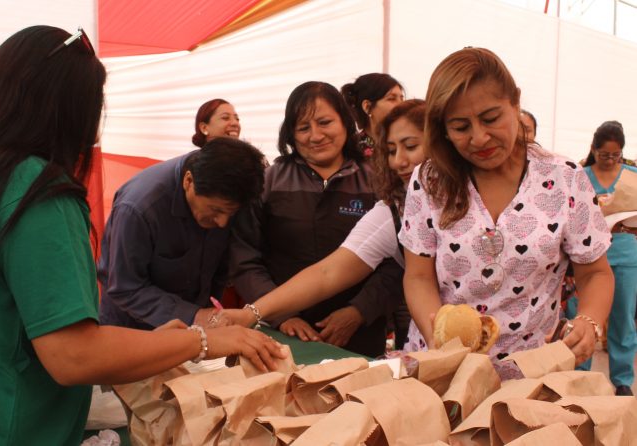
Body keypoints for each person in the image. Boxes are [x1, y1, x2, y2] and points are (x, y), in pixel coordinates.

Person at [0, 26, 284, 445]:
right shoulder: (39, 196)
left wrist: (160, 345)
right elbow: (72, 354)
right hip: (18, 426)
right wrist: (202, 339)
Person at [399, 47, 614, 379]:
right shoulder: (430, 181)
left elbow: (595, 273)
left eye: (490, 118)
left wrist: (589, 321)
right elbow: (418, 276)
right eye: (460, 127)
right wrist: (441, 343)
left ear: (515, 102)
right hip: (441, 370)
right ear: (442, 129)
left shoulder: (565, 179)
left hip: (531, 373)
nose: (479, 137)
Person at [222, 100, 426, 349]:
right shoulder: (394, 209)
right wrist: (259, 313)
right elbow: (329, 272)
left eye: (411, 146)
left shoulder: (372, 181)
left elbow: (396, 273)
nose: (398, 162)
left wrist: (360, 310)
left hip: (377, 332)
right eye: (391, 150)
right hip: (437, 344)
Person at [98, 136, 266, 330]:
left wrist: (207, 312)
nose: (222, 223)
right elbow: (125, 288)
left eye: (231, 213)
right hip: (132, 328)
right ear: (188, 181)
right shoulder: (139, 208)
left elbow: (220, 267)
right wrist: (194, 315)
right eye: (216, 211)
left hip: (194, 324)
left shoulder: (229, 191)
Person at [568, 121, 637, 396]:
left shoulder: (632, 175)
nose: (610, 160)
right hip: (585, 258)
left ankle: (622, 380)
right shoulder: (579, 175)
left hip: (625, 254)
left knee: (623, 319)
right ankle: (579, 375)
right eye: (604, 155)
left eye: (615, 155)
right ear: (593, 150)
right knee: (580, 316)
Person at [341, 73, 404, 157]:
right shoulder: (352, 150)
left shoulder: (406, 139)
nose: (401, 104)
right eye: (392, 99)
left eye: (402, 98)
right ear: (367, 107)